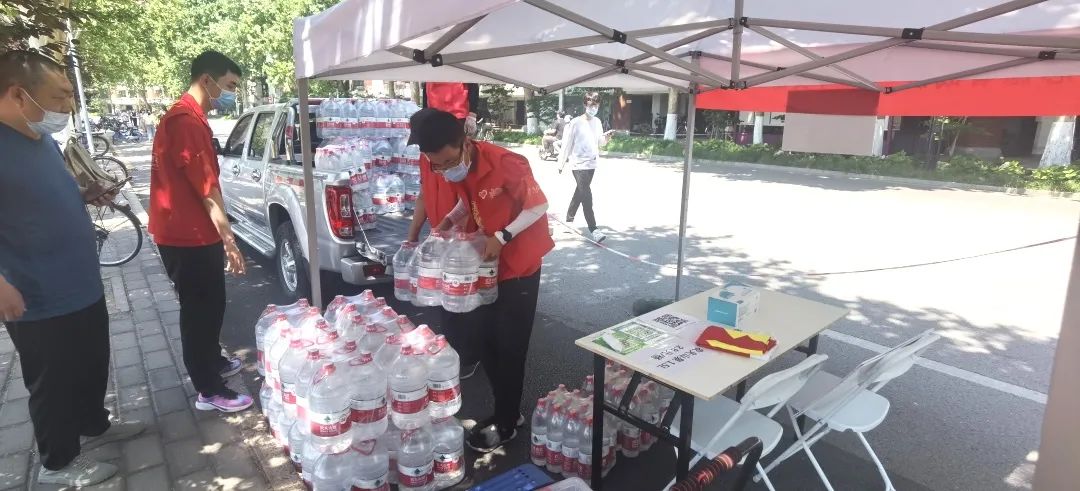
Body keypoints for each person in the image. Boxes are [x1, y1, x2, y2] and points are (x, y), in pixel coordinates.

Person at [0, 50, 145, 487]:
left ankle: (93, 423)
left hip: (81, 282)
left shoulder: (40, 138)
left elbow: (44, 195)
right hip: (37, 296)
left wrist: (86, 193)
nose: (69, 105)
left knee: (90, 362)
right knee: (53, 381)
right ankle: (57, 463)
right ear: (18, 95)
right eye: (60, 96)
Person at [409, 108, 554, 453]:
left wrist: (503, 236)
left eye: (447, 162)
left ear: (464, 143)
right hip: (486, 267)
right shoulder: (456, 167)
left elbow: (538, 205)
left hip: (519, 267)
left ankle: (506, 423)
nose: (443, 170)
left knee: (511, 348)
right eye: (435, 165)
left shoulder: (505, 162)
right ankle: (508, 410)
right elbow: (466, 201)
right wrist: (448, 220)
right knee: (486, 340)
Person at [148, 50, 252, 413]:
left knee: (213, 303)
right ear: (207, 80)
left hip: (195, 232)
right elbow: (207, 189)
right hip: (186, 235)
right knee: (199, 311)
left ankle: (213, 361)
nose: (231, 94)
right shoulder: (186, 122)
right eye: (229, 86)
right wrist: (230, 240)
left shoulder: (190, 117)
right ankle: (209, 390)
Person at [408, 83, 483, 379]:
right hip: (440, 237)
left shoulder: (459, 157)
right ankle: (452, 354)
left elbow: (470, 202)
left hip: (462, 243)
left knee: (464, 302)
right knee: (445, 303)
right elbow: (423, 195)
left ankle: (469, 357)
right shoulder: (427, 159)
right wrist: (413, 235)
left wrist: (458, 243)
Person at [559, 92, 615, 243]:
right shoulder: (575, 122)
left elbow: (600, 142)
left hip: (591, 163)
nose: (593, 108)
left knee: (580, 192)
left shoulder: (597, 121)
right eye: (591, 105)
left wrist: (607, 138)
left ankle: (568, 220)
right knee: (587, 195)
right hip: (578, 164)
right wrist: (561, 162)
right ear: (585, 105)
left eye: (596, 105)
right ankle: (594, 229)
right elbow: (567, 143)